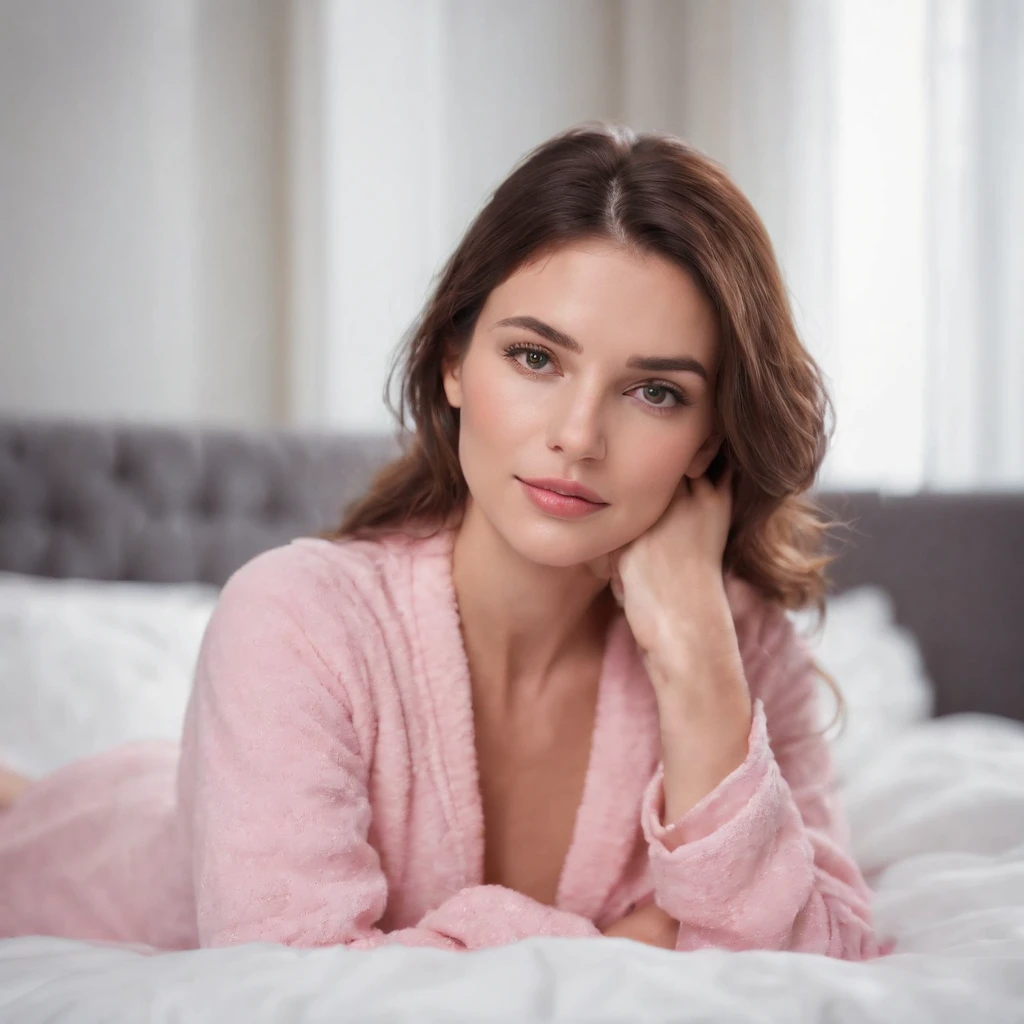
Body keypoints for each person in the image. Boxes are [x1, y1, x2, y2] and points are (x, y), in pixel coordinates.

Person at [0, 122, 883, 958]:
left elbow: (826, 954)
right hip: (85, 856)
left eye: (655, 392)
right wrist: (633, 946)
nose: (577, 436)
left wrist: (696, 658)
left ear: (711, 438)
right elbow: (290, 984)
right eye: (536, 357)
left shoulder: (739, 651)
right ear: (454, 361)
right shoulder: (295, 616)